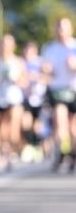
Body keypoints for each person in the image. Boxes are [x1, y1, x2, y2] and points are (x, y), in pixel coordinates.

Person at [0, 34, 26, 169]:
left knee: (13, 127)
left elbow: (25, 82)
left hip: (13, 98)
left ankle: (13, 151)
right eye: (2, 44)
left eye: (7, 45)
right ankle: (6, 152)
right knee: (1, 129)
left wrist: (15, 78)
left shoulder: (17, 61)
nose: (4, 48)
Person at [41, 17, 76, 171]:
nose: (61, 31)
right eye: (59, 28)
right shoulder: (49, 48)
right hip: (58, 90)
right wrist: (46, 70)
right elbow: (45, 70)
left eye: (64, 28)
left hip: (73, 89)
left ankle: (72, 153)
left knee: (73, 126)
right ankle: (62, 150)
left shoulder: (74, 46)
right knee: (59, 121)